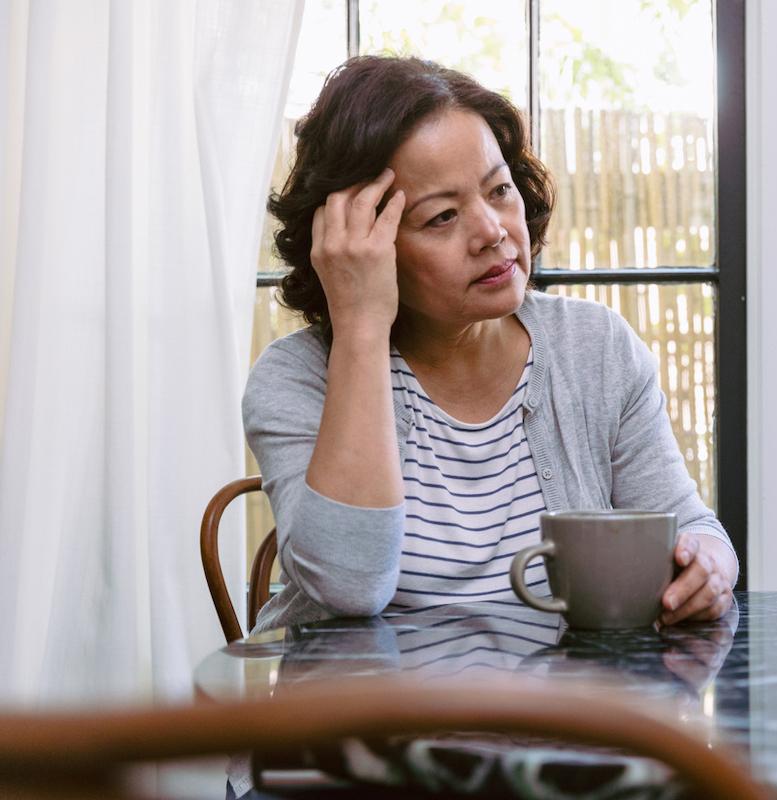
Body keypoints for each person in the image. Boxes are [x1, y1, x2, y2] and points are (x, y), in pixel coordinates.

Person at [243, 55, 737, 635]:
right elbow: (348, 586)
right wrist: (361, 328)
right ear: (359, 242)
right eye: (442, 216)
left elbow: (696, 528)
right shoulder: (297, 377)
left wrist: (706, 564)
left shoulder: (595, 348)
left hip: (560, 714)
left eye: (499, 189)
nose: (493, 231)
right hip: (363, 719)